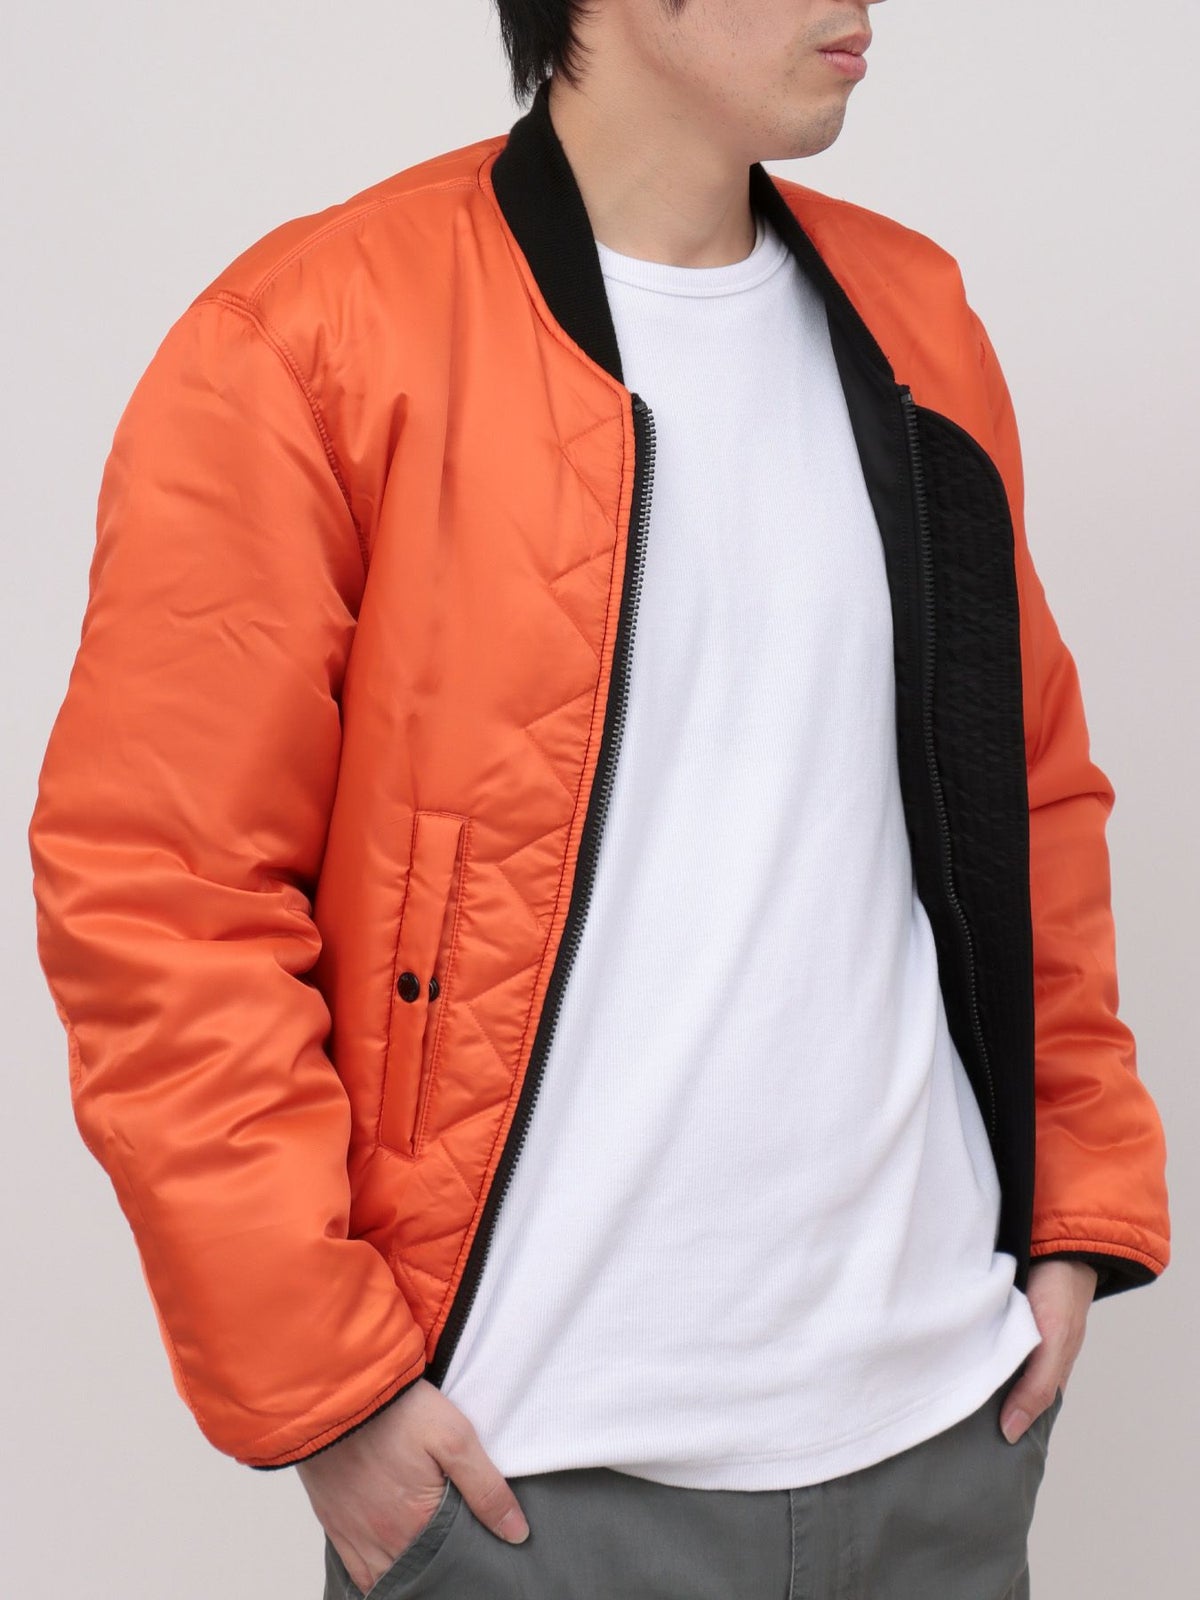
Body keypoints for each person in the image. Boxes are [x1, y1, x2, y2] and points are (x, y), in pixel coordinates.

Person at [28, 2, 1171, 1596]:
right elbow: (162, 893)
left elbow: (1024, 795)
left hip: (938, 1441)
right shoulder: (311, 337)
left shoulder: (915, 319)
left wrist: (1075, 1208)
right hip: (528, 1484)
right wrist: (327, 1389)